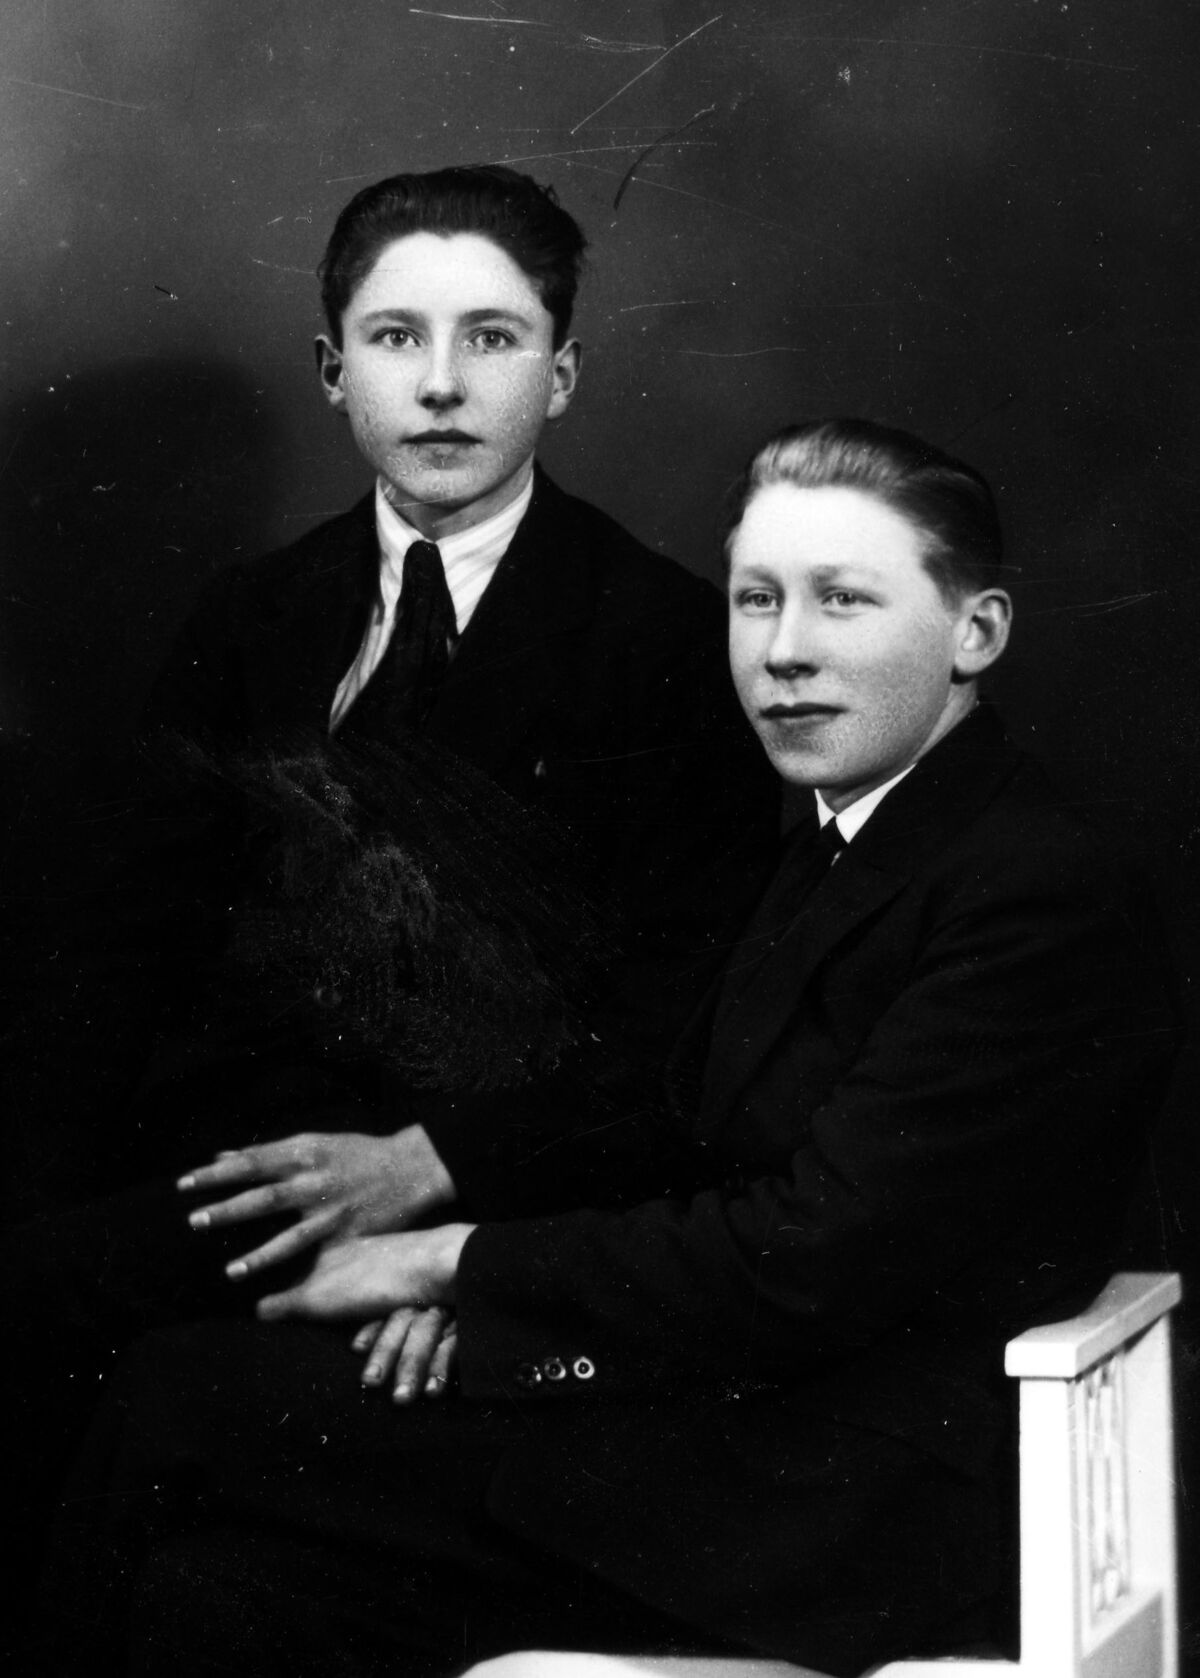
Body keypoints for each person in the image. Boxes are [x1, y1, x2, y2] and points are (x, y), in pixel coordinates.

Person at [27, 419, 1180, 1677]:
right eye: (756, 599)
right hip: (730, 1420)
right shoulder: (844, 842)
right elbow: (686, 1132)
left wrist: (460, 1264)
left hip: (845, 1502)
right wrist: (491, 1298)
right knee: (214, 1593)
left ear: (977, 633)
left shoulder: (1030, 890)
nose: (784, 651)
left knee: (176, 1399)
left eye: (844, 599)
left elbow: (811, 1254)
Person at [4, 165, 777, 1647]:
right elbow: (117, 963)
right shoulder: (255, 618)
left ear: (561, 375)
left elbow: (685, 1030)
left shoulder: (665, 642)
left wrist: (451, 1199)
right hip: (246, 1191)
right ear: (332, 369)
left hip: (486, 1205)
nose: (439, 385)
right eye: (395, 337)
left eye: (491, 338)